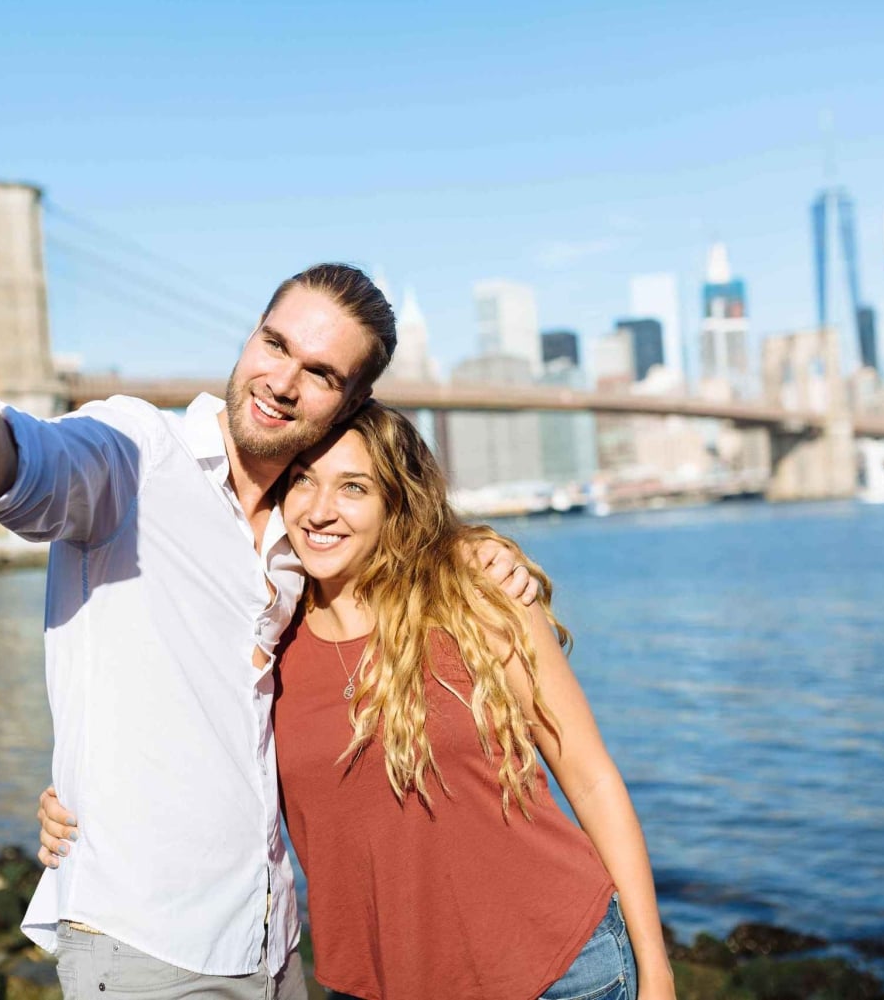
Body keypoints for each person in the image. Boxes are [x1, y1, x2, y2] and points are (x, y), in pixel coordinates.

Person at [0, 148, 537, 999]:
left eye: (320, 373)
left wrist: (474, 549)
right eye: (274, 343)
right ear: (250, 335)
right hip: (144, 947)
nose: (281, 381)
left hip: (275, 942)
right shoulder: (133, 454)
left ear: (351, 404)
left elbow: (404, 561)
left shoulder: (312, 537)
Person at [41, 402, 677, 1000]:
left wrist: (656, 966)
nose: (321, 510)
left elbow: (590, 777)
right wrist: (77, 800)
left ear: (396, 502)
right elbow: (187, 748)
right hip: (373, 983)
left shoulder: (477, 595)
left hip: (562, 972)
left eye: (354, 487)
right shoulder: (267, 641)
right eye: (303, 480)